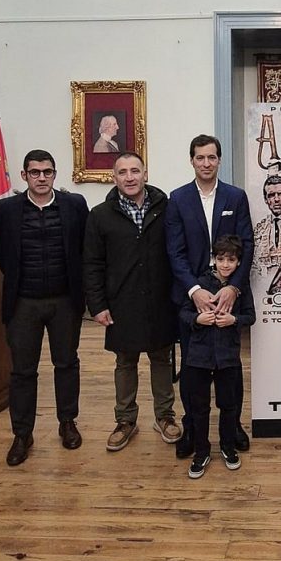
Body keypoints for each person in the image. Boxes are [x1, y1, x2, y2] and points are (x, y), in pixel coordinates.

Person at [0, 150, 88, 466]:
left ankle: (67, 422)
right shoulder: (5, 209)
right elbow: (1, 251)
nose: (42, 178)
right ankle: (22, 434)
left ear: (55, 174)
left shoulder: (74, 205)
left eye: (47, 172)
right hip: (23, 303)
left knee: (67, 363)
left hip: (64, 301)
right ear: (24, 176)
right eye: (35, 172)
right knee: (22, 370)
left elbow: (83, 249)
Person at [84, 151, 181, 452]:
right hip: (121, 302)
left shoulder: (166, 208)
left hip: (160, 300)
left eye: (135, 171)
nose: (129, 177)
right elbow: (92, 264)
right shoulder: (100, 215)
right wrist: (98, 305)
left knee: (161, 359)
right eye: (123, 172)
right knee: (125, 362)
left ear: (145, 174)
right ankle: (125, 420)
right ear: (113, 178)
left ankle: (164, 416)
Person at [166, 134, 254, 458]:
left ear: (219, 160)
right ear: (192, 160)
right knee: (193, 369)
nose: (206, 163)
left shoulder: (236, 197)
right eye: (200, 157)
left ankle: (232, 426)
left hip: (228, 293)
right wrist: (195, 290)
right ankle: (192, 427)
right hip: (192, 294)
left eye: (211, 157)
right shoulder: (177, 199)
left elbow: (247, 244)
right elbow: (174, 251)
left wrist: (233, 287)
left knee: (230, 367)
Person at [180, 235, 256, 478]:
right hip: (199, 357)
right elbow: (183, 313)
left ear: (238, 262)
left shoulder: (240, 289)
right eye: (221, 259)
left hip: (228, 357)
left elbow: (250, 316)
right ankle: (201, 451)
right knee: (199, 407)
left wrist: (234, 320)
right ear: (214, 259)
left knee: (228, 404)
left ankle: (227, 446)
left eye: (231, 260)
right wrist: (197, 318)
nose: (225, 264)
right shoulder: (200, 285)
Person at [252, 174, 281, 292]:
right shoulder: (259, 229)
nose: (276, 199)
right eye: (271, 195)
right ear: (266, 200)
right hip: (265, 290)